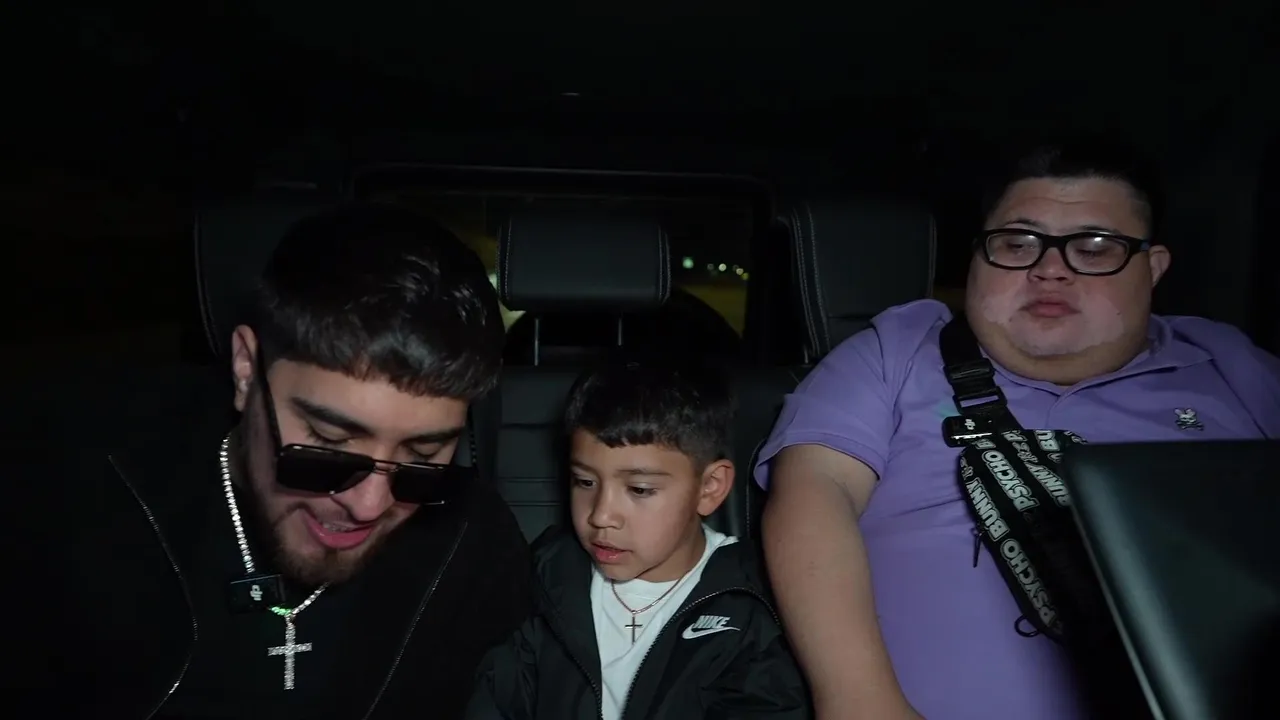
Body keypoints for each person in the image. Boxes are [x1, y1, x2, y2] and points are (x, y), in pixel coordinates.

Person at [756, 139, 1280, 720]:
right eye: (1017, 243)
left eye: (1095, 247)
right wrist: (859, 700)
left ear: (1152, 267)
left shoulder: (1228, 364)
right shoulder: (897, 350)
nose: (1050, 269)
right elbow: (815, 491)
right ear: (978, 257)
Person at [12, 204, 533, 719]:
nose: (369, 505)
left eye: (422, 458)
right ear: (246, 368)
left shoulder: (475, 546)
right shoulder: (67, 502)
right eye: (328, 444)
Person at [465, 360, 812, 720]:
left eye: (639, 489)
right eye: (585, 482)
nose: (601, 515)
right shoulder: (546, 576)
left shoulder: (755, 604)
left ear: (709, 488)